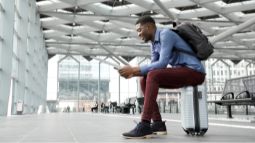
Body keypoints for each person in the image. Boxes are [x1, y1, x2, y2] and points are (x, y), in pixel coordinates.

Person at [118, 15, 206, 139]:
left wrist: (133, 69)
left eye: (139, 30)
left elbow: (162, 63)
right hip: (181, 72)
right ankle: (158, 124)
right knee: (144, 78)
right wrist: (133, 73)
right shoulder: (153, 43)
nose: (138, 34)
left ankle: (144, 124)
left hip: (195, 72)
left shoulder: (166, 35)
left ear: (149, 27)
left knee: (153, 75)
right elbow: (154, 66)